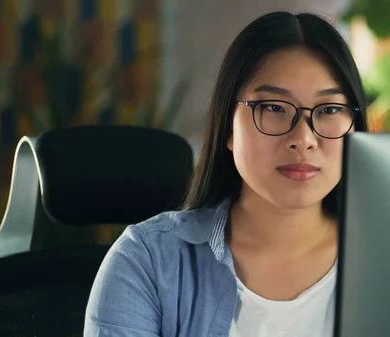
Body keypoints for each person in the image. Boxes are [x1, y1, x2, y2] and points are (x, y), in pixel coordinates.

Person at [84, 11, 368, 337]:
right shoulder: (147, 261)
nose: (303, 140)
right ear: (228, 128)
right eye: (273, 107)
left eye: (330, 110)